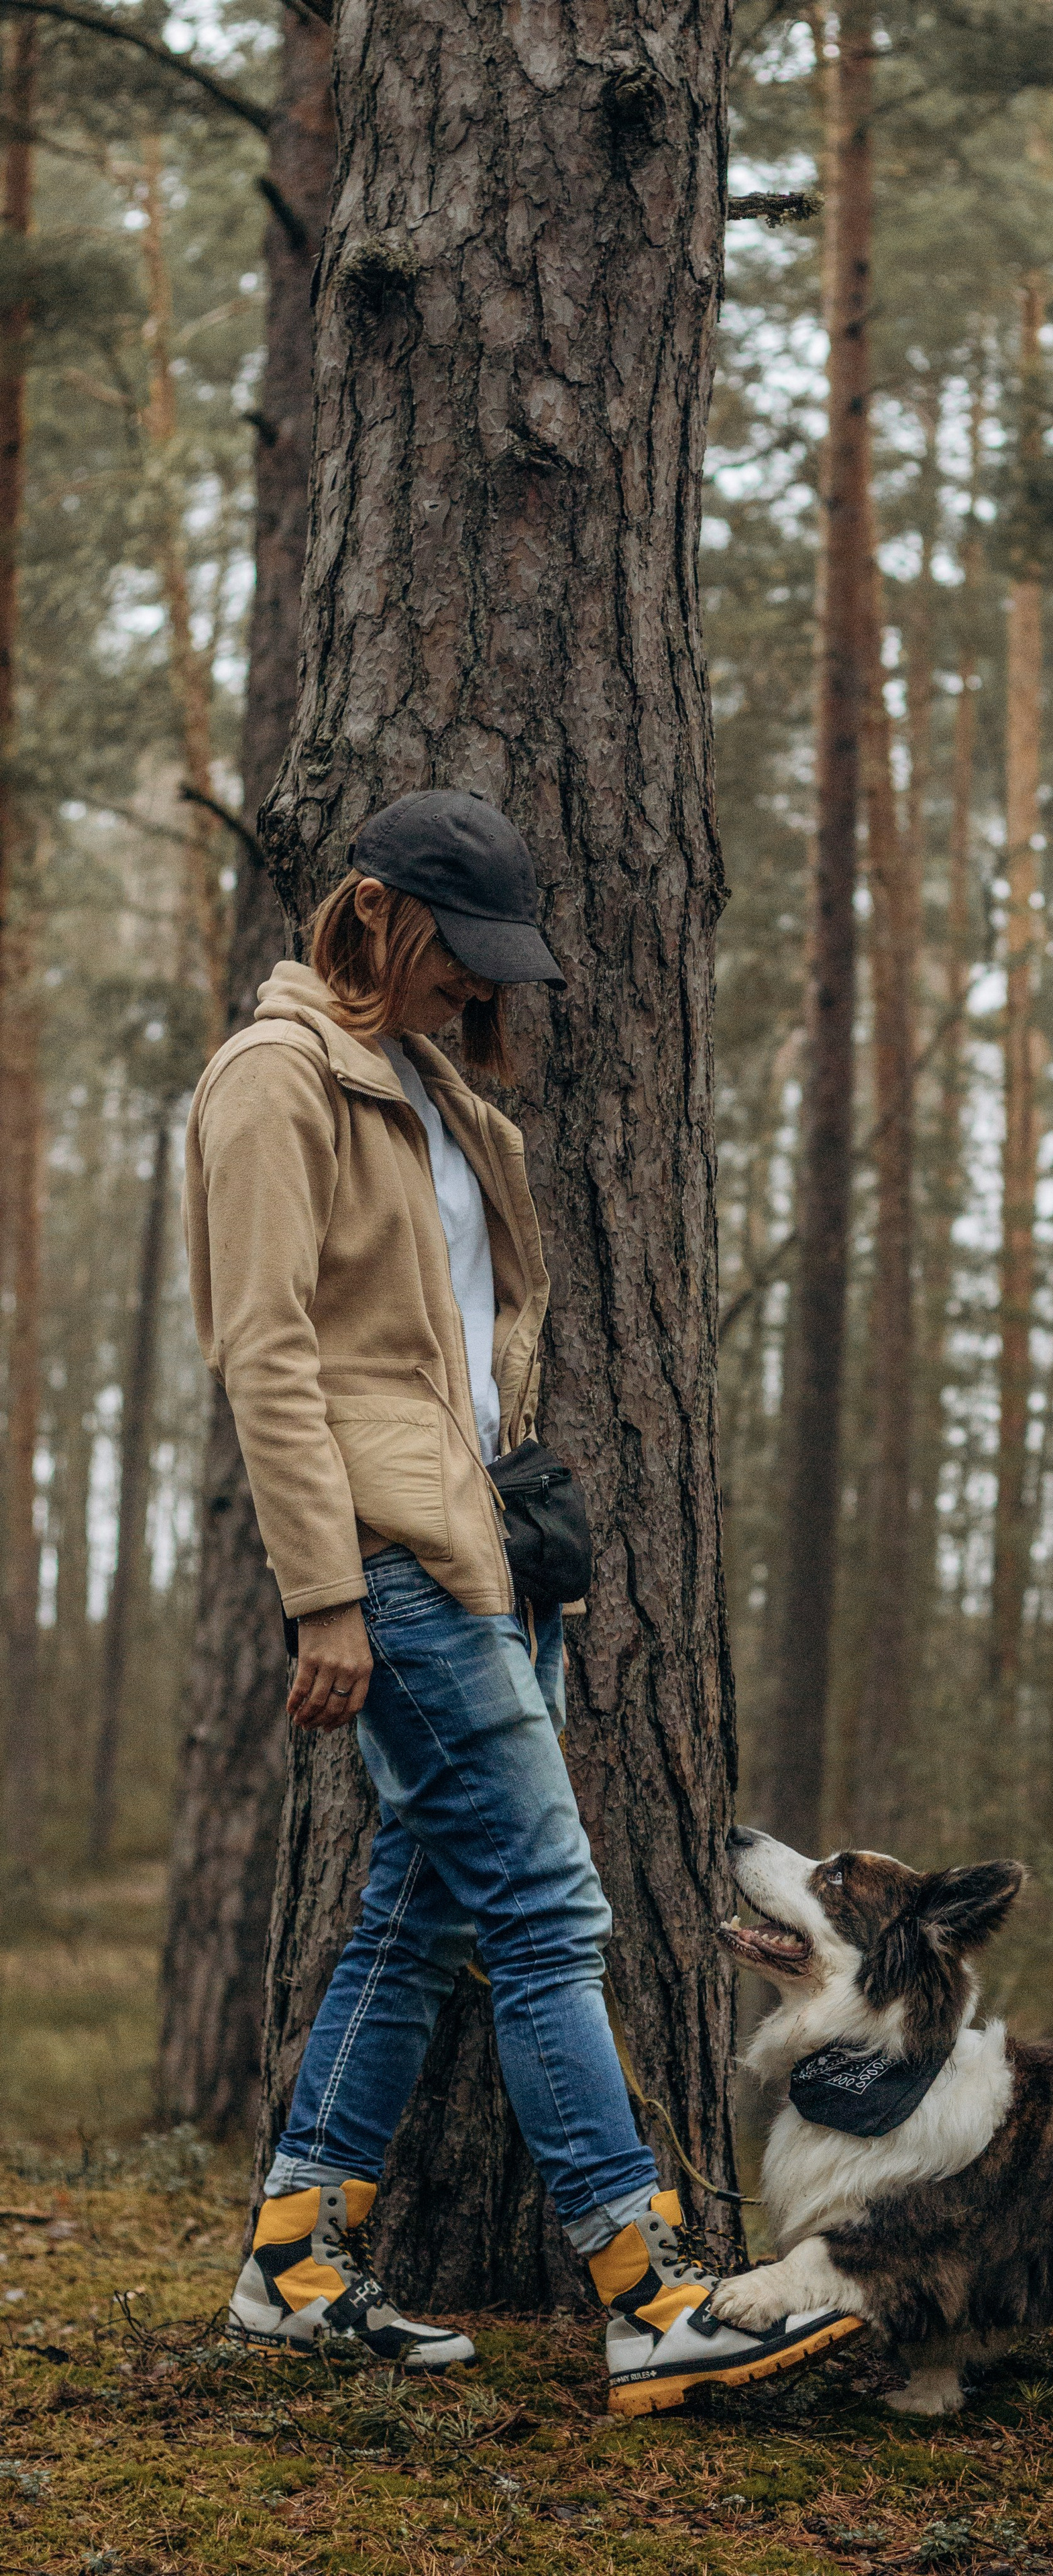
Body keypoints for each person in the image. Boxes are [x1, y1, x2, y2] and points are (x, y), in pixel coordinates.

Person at [183, 789, 860, 2414]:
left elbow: (466, 1343)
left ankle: (293, 2260)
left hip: (484, 1557)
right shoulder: (275, 1082)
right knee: (554, 1920)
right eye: (454, 958)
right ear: (375, 919)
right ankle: (645, 2295)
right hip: (394, 1570)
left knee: (415, 1924)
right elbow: (265, 1354)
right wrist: (322, 1599)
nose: (475, 992)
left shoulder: (422, 1089)